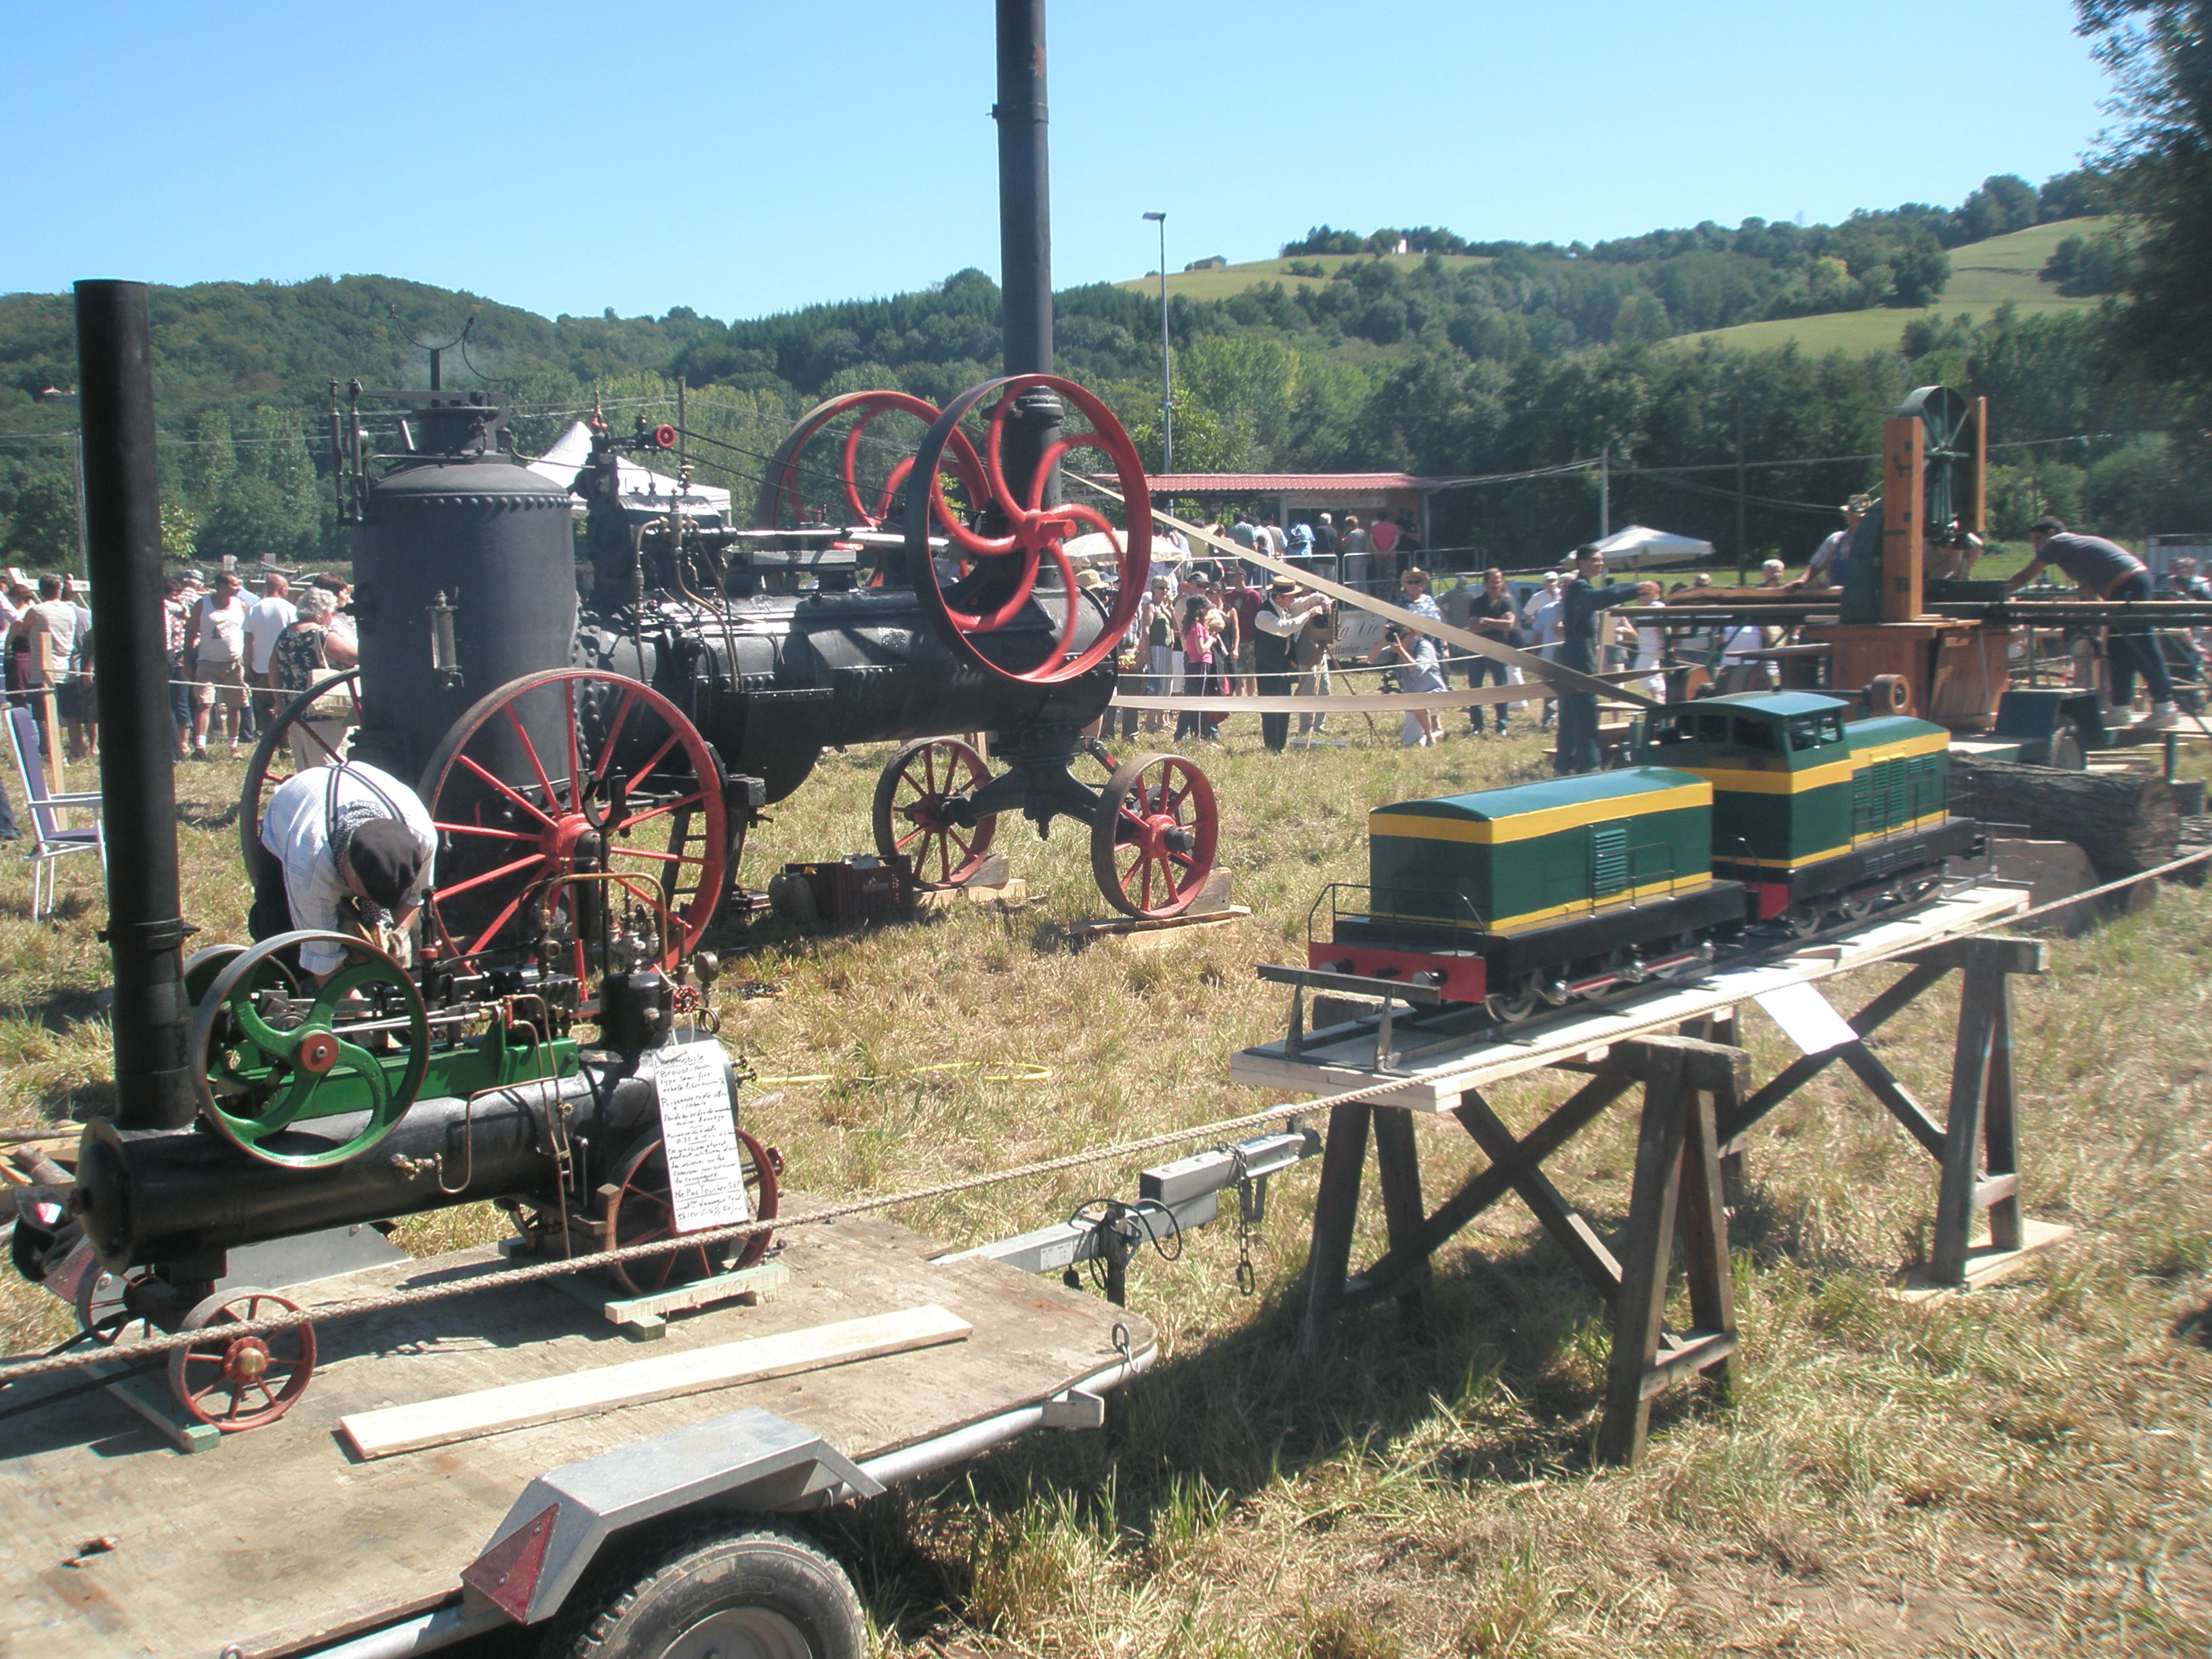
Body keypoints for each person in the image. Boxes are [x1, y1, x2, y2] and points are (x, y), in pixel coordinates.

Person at [252, 761, 437, 983]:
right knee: (286, 947)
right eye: (370, 896)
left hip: (359, 788)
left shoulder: (421, 836)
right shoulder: (310, 863)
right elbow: (324, 965)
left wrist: (401, 932)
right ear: (346, 867)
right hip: (289, 817)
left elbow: (415, 898)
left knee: (412, 947)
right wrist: (356, 1010)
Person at [2005, 516, 2179, 726]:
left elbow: (2026, 576)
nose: (2036, 546)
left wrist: (1998, 593)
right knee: (2117, 649)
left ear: (2051, 533)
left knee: (2142, 644)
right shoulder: (2071, 551)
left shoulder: (2058, 543)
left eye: (2037, 539)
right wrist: (2095, 620)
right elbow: (2088, 586)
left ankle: (2165, 709)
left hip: (2128, 584)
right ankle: (2120, 709)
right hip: (2124, 586)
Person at [1553, 544, 1637, 775]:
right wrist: (1636, 589)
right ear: (1581, 563)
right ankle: (1590, 765)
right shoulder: (1580, 587)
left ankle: (1564, 765)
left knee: (1570, 714)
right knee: (1586, 712)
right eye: (1595, 560)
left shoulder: (1581, 587)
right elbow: (1601, 599)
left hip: (1577, 655)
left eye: (1601, 560)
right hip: (1579, 658)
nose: (1600, 564)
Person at [8, 575, 83, 760]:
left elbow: (23, 631)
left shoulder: (37, 610)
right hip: (66, 667)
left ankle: (52, 753)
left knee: (43, 715)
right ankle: (77, 749)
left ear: (41, 590)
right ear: (58, 589)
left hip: (42, 669)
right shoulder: (69, 610)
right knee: (71, 714)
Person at [1252, 575, 1327, 752]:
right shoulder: (1264, 614)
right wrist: (1309, 614)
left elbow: (1303, 602)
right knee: (1271, 709)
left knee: (1285, 708)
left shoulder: (1285, 607)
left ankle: (1280, 745)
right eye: (1290, 596)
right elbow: (1285, 629)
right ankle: (1272, 746)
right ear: (1279, 597)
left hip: (1282, 665)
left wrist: (1321, 599)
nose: (1293, 599)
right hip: (1268, 668)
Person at [188, 569, 250, 758]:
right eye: (234, 584)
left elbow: (248, 634)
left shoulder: (241, 605)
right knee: (204, 703)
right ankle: (200, 747)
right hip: (207, 662)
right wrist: (188, 661)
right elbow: (190, 634)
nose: (238, 588)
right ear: (222, 586)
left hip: (233, 664)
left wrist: (248, 660)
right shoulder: (203, 604)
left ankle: (233, 747)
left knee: (234, 705)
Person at [1383, 567, 1446, 745]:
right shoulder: (1401, 603)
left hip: (1431, 647)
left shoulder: (1430, 602)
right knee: (1413, 683)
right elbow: (1391, 625)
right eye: (1410, 582)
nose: (1413, 585)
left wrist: (1445, 645)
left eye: (1417, 581)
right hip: (1408, 648)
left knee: (1433, 682)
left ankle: (1434, 724)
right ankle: (1429, 730)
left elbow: (1440, 626)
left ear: (1423, 584)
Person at [1459, 567, 1520, 736]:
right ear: (1486, 584)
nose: (1495, 584)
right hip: (1477, 650)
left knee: (1501, 688)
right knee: (1476, 689)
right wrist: (1496, 622)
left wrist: (1484, 621)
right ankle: (1477, 725)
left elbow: (1508, 625)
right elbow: (1472, 627)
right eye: (1492, 581)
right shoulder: (1477, 602)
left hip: (1498, 650)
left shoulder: (1507, 601)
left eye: (1498, 581)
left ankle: (1502, 725)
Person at [243, 573, 296, 733]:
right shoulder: (290, 609)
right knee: (284, 705)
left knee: (263, 707)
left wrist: (247, 666)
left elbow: (248, 641)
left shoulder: (254, 609)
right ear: (281, 588)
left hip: (260, 666)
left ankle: (266, 739)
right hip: (283, 666)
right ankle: (285, 744)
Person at [1173, 592, 1222, 743]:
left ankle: (1197, 734)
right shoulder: (1198, 626)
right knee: (1199, 702)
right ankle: (1200, 736)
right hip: (1202, 665)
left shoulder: (1190, 626)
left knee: (1194, 700)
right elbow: (1201, 649)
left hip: (1194, 666)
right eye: (1206, 609)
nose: (1208, 611)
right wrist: (1212, 639)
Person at [1522, 571, 1565, 729]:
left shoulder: (1577, 609)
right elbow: (1538, 632)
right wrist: (1534, 654)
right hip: (1549, 656)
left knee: (1569, 690)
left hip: (1569, 657)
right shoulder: (1547, 609)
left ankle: (1566, 720)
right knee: (1549, 690)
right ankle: (1548, 721)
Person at [1807, 497, 1867, 589]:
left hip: (1868, 599)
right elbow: (1815, 567)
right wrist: (1800, 581)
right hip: (1837, 599)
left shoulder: (1876, 541)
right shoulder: (1836, 539)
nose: (1845, 515)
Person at [1143, 574, 1176, 733]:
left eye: (1166, 588)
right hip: (1156, 647)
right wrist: (1146, 651)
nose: (1165, 591)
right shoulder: (1151, 607)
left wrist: (1170, 607)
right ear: (1153, 589)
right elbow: (1146, 629)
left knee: (1167, 683)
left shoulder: (1166, 607)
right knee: (1156, 682)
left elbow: (1175, 626)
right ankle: (1150, 719)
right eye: (1161, 588)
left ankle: (1163, 718)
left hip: (1168, 647)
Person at [1340, 514, 1371, 593]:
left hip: (1353, 559)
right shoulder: (1363, 532)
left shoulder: (1352, 534)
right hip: (1363, 557)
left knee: (1354, 580)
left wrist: (1345, 533)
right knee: (1362, 580)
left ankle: (1354, 600)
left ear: (1350, 525)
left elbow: (1343, 543)